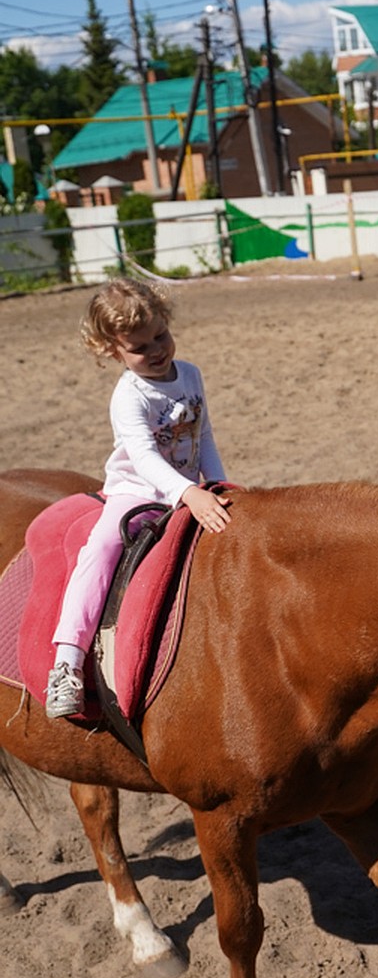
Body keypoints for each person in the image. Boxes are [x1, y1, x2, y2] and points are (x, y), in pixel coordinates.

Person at [44, 278, 231, 720]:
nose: (157, 351)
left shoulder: (190, 375)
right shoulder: (129, 395)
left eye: (161, 336)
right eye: (140, 348)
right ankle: (67, 661)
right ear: (114, 351)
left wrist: (218, 486)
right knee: (101, 550)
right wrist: (187, 492)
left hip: (189, 490)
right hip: (137, 493)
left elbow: (202, 435)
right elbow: (144, 457)